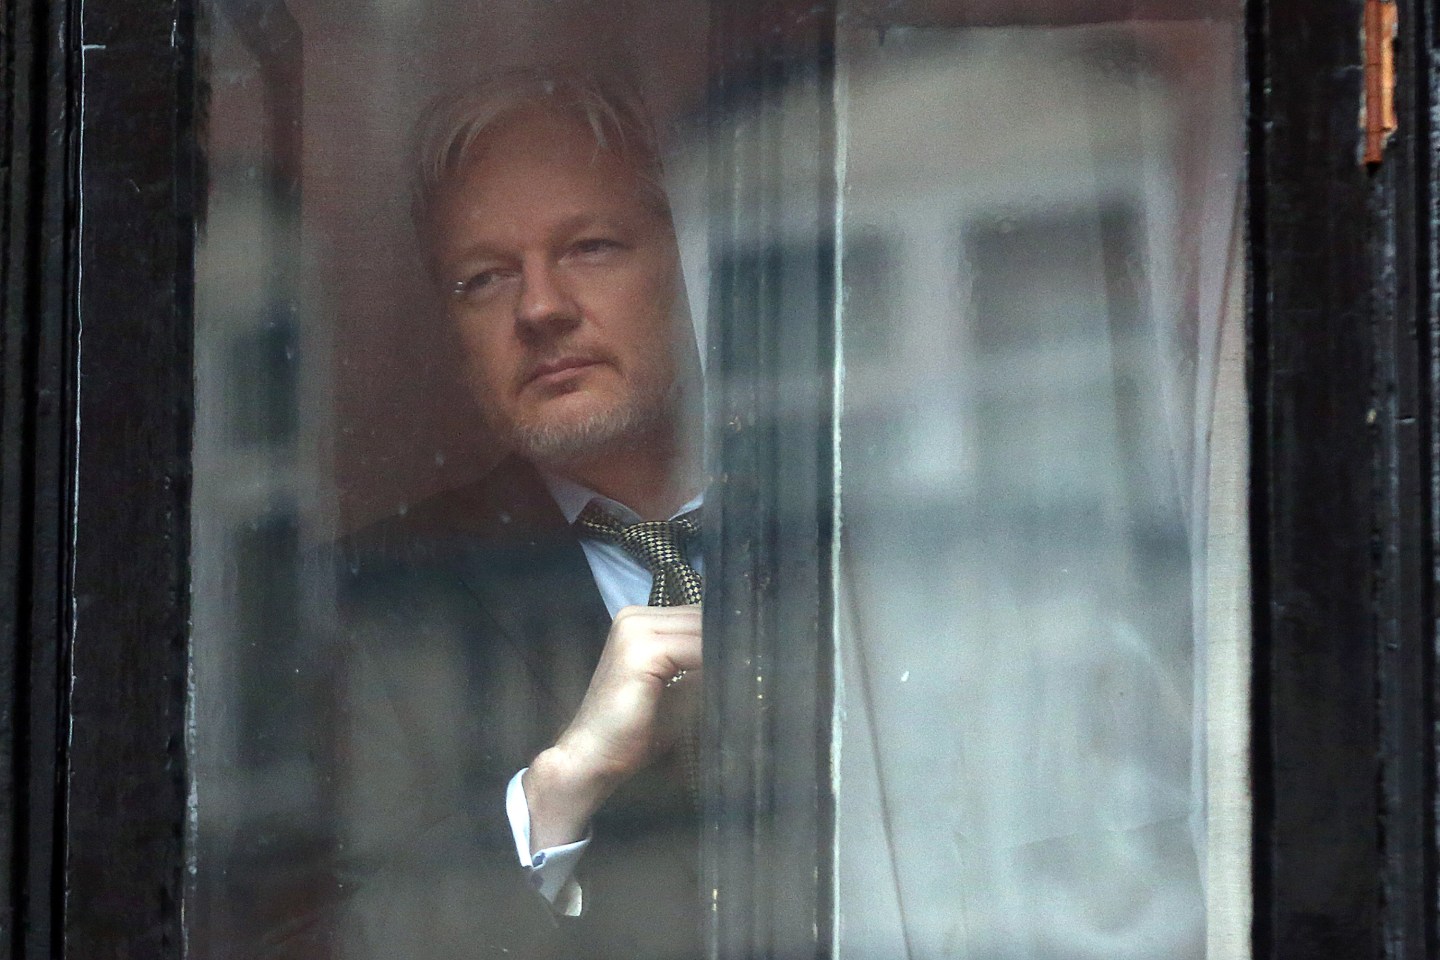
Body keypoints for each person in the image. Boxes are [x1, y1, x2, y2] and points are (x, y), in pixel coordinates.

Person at [328, 72, 708, 960]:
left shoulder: (852, 514)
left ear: (690, 263)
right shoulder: (374, 605)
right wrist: (556, 794)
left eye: (591, 247)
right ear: (450, 335)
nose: (539, 307)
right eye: (485, 278)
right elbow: (350, 937)